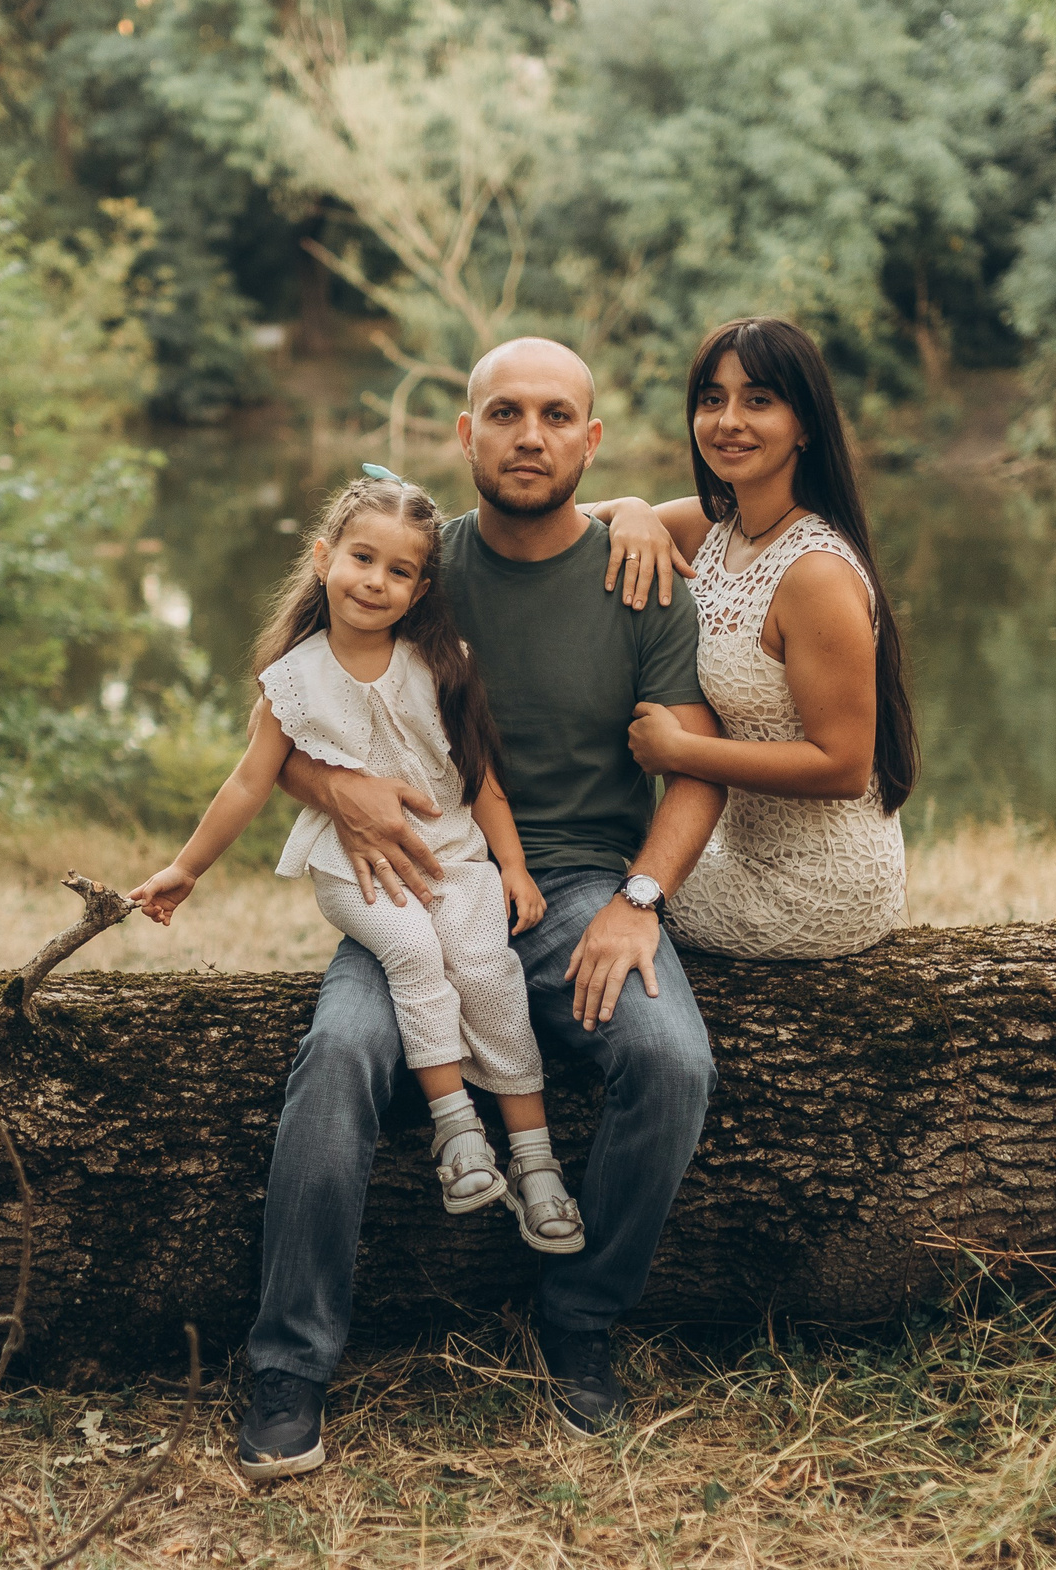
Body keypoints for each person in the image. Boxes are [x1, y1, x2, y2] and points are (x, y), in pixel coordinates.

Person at [232, 337, 724, 1479]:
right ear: (465, 434)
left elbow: (695, 765)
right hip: (419, 874)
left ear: (590, 441)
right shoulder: (413, 565)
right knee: (341, 1051)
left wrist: (640, 898)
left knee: (673, 1060)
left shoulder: (636, 572)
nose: (530, 435)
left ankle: (579, 1318)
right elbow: (279, 721)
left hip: (583, 888)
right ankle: (287, 1366)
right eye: (504, 412)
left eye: (557, 416)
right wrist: (336, 784)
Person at [129, 475, 589, 1264]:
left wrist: (511, 866)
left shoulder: (441, 664)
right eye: (361, 558)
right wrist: (186, 868)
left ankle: (537, 1161)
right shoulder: (293, 682)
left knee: (486, 969)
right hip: (355, 866)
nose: (375, 581)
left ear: (419, 589)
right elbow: (249, 781)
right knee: (412, 952)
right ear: (322, 558)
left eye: (399, 570)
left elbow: (479, 779)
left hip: (453, 856)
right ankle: (457, 1136)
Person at [583, 316, 917, 958]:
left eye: (757, 400)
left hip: (814, 887)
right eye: (712, 399)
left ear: (805, 426)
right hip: (731, 846)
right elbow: (567, 533)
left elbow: (843, 765)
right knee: (580, 866)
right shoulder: (716, 525)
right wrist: (628, 507)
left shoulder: (814, 572)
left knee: (590, 888)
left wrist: (678, 751)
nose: (728, 420)